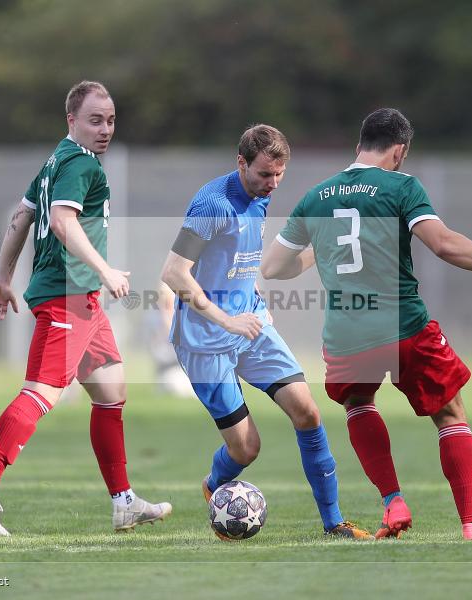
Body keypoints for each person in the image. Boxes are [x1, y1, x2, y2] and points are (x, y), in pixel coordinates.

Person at [261, 108, 472, 541]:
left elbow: (272, 267)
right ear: (400, 150)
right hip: (402, 326)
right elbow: (445, 245)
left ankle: (392, 501)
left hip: (345, 334)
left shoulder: (316, 197)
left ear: (359, 144)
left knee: (359, 404)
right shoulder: (402, 186)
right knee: (450, 412)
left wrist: (320, 254)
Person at [0, 80, 171, 536]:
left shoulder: (55, 161)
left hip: (84, 299)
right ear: (71, 120)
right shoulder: (79, 165)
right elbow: (60, 220)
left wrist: (1, 277)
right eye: (95, 119)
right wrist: (106, 270)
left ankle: (123, 501)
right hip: (69, 296)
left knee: (112, 393)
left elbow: (22, 215)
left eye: (111, 120)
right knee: (42, 391)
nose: (105, 128)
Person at [160, 124, 371, 540]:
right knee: (246, 449)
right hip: (205, 343)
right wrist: (226, 319)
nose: (272, 184)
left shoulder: (259, 198)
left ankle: (334, 524)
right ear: (240, 163)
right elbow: (173, 273)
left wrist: (251, 291)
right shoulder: (212, 204)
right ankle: (212, 484)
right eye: (263, 175)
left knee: (307, 412)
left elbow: (239, 258)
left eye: (279, 175)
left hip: (251, 327)